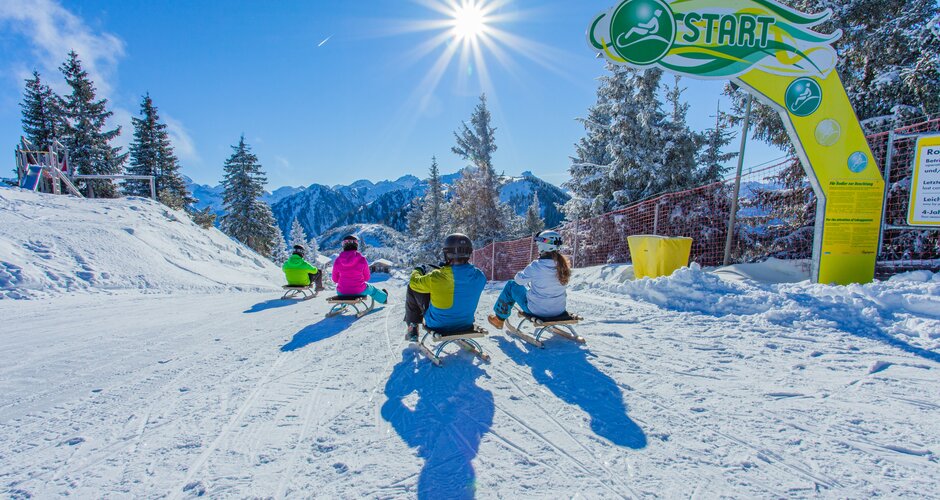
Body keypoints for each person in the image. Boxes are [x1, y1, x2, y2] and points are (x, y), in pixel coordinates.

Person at [404, 233, 487, 341]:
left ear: (447, 254)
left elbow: (413, 282)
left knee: (413, 287)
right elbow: (460, 285)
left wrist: (418, 270)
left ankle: (413, 328)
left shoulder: (436, 277)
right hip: (465, 325)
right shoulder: (480, 277)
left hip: (437, 326)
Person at [487, 230, 570, 328]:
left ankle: (499, 319)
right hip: (559, 310)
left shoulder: (536, 266)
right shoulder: (563, 266)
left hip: (538, 311)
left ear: (542, 245)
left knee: (511, 285)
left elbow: (518, 280)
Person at [331, 235, 388, 304]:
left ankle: (342, 306)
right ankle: (384, 298)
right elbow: (367, 278)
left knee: (343, 289)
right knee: (372, 289)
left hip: (341, 292)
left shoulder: (338, 260)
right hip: (359, 291)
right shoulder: (362, 259)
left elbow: (335, 279)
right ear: (356, 246)